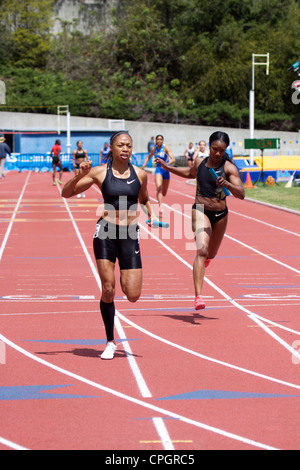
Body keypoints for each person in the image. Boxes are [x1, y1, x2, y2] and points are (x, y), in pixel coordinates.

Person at [62, 131, 157, 360]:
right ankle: (110, 341)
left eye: (129, 145)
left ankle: (113, 323)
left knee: (133, 294)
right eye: (121, 145)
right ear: (111, 148)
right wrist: (78, 175)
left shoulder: (141, 174)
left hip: (129, 234)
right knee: (108, 288)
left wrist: (150, 213)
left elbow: (144, 198)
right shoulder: (99, 173)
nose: (126, 149)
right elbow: (66, 193)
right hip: (105, 232)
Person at [154, 131, 245, 311]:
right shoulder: (200, 162)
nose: (217, 153)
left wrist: (227, 184)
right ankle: (198, 296)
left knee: (211, 254)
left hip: (220, 215)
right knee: (201, 250)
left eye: (221, 150)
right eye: (214, 149)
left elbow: (241, 194)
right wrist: (167, 167)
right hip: (200, 210)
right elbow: (189, 173)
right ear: (209, 146)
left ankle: (206, 260)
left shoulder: (229, 168)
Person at [142, 135, 175, 214]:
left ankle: (160, 200)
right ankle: (160, 206)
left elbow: (173, 159)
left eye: (161, 139)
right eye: (158, 139)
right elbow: (149, 156)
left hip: (166, 170)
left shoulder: (165, 148)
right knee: (158, 188)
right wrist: (144, 164)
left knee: (164, 192)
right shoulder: (154, 149)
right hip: (158, 169)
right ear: (156, 141)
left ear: (162, 140)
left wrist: (166, 164)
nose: (159, 141)